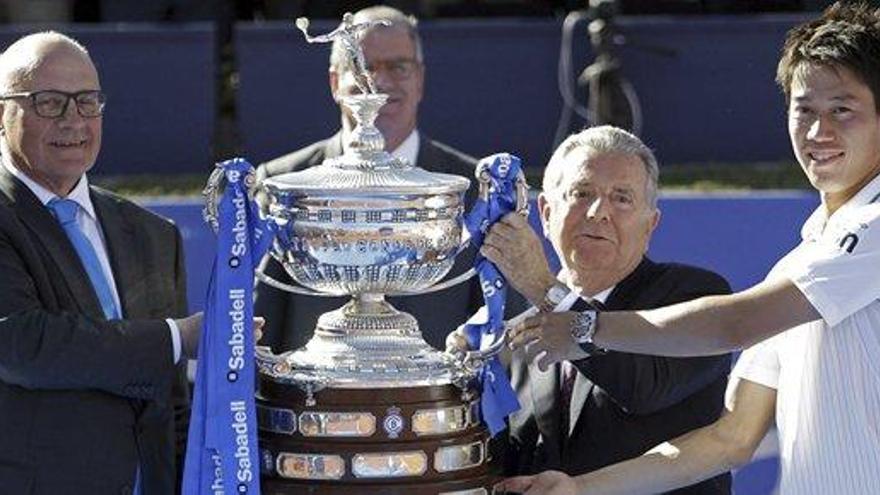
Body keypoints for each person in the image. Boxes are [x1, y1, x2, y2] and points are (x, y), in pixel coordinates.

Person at [496, 3, 880, 494]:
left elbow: (732, 325)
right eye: (804, 109)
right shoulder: (801, 261)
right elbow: (729, 440)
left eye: (842, 110)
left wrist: (583, 325)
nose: (817, 133)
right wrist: (580, 489)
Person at [451, 126, 732, 493]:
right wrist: (453, 389)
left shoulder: (695, 296)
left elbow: (643, 389)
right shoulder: (511, 339)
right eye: (581, 194)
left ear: (651, 225)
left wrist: (545, 290)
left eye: (622, 199)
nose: (598, 212)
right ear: (546, 213)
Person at [0, 32, 203, 494]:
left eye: (87, 101)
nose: (73, 120)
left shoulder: (154, 235)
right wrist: (177, 337)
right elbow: (23, 346)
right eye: (49, 102)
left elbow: (169, 404)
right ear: (1, 114)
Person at [256, 5, 481, 351]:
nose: (379, 82)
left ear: (419, 79)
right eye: (364, 66)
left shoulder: (473, 186)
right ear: (335, 81)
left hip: (441, 398)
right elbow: (258, 325)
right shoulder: (281, 183)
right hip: (312, 399)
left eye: (398, 67)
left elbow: (500, 322)